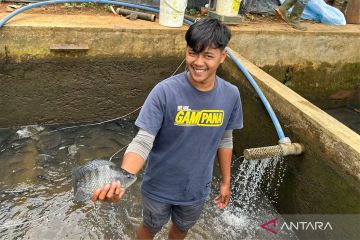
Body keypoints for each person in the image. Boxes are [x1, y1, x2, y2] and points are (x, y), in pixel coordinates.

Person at [91, 18, 243, 240]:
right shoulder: (164, 91)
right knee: (150, 226)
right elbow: (143, 141)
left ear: (222, 57)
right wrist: (122, 180)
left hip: (196, 189)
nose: (198, 62)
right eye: (192, 53)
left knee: (182, 229)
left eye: (208, 56)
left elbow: (225, 139)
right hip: (159, 187)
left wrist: (226, 182)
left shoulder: (231, 95)